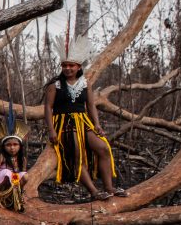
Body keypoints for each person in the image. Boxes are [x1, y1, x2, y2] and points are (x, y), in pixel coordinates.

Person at [44, 32, 126, 200]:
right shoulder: (55, 85)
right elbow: (48, 107)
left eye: (71, 66)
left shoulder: (85, 84)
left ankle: (109, 187)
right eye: (65, 65)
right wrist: (51, 130)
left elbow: (91, 105)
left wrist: (97, 124)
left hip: (83, 121)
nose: (68, 68)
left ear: (79, 67)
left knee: (103, 148)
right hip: (64, 123)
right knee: (76, 155)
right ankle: (94, 192)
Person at [0, 112, 29, 212]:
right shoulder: (2, 156)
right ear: (3, 146)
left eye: (15, 144)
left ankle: (14, 197)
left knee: (25, 175)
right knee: (7, 172)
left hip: (13, 183)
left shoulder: (22, 159)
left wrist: (21, 193)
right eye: (8, 145)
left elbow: (20, 175)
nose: (12, 148)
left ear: (20, 146)